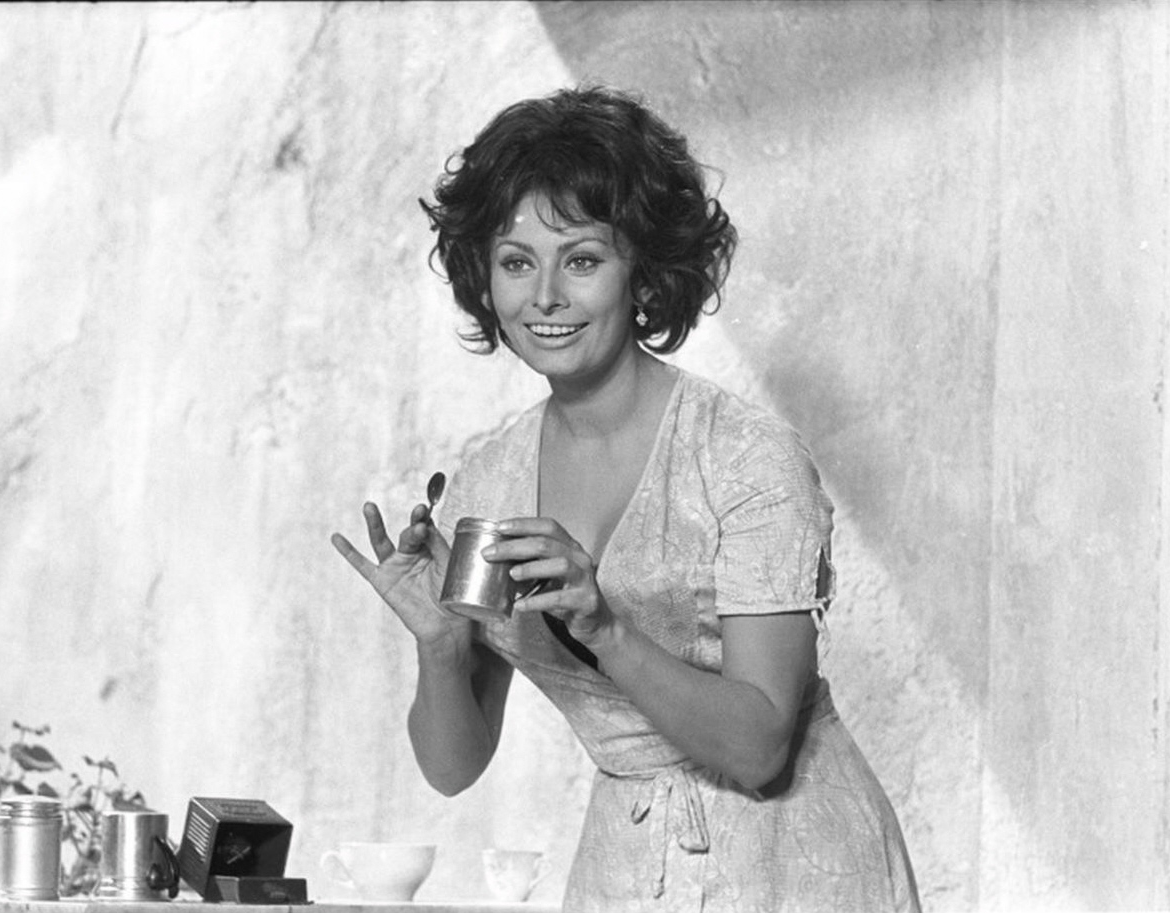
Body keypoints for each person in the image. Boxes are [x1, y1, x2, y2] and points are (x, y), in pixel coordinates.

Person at [331, 85, 920, 912]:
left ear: (642, 274)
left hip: (796, 862)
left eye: (580, 260)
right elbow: (452, 766)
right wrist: (439, 645)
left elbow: (758, 748)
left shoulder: (744, 455)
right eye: (515, 262)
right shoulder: (488, 481)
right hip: (624, 864)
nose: (544, 296)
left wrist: (604, 628)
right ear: (483, 280)